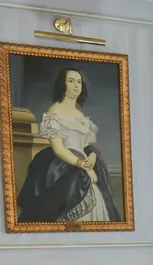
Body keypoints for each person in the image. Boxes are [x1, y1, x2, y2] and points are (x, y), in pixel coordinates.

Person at [17, 67, 121, 222]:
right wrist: (82, 165)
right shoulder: (54, 111)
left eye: (79, 82)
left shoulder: (80, 115)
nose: (76, 85)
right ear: (62, 84)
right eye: (71, 81)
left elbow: (85, 145)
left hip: (84, 165)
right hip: (63, 169)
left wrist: (92, 155)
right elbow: (59, 149)